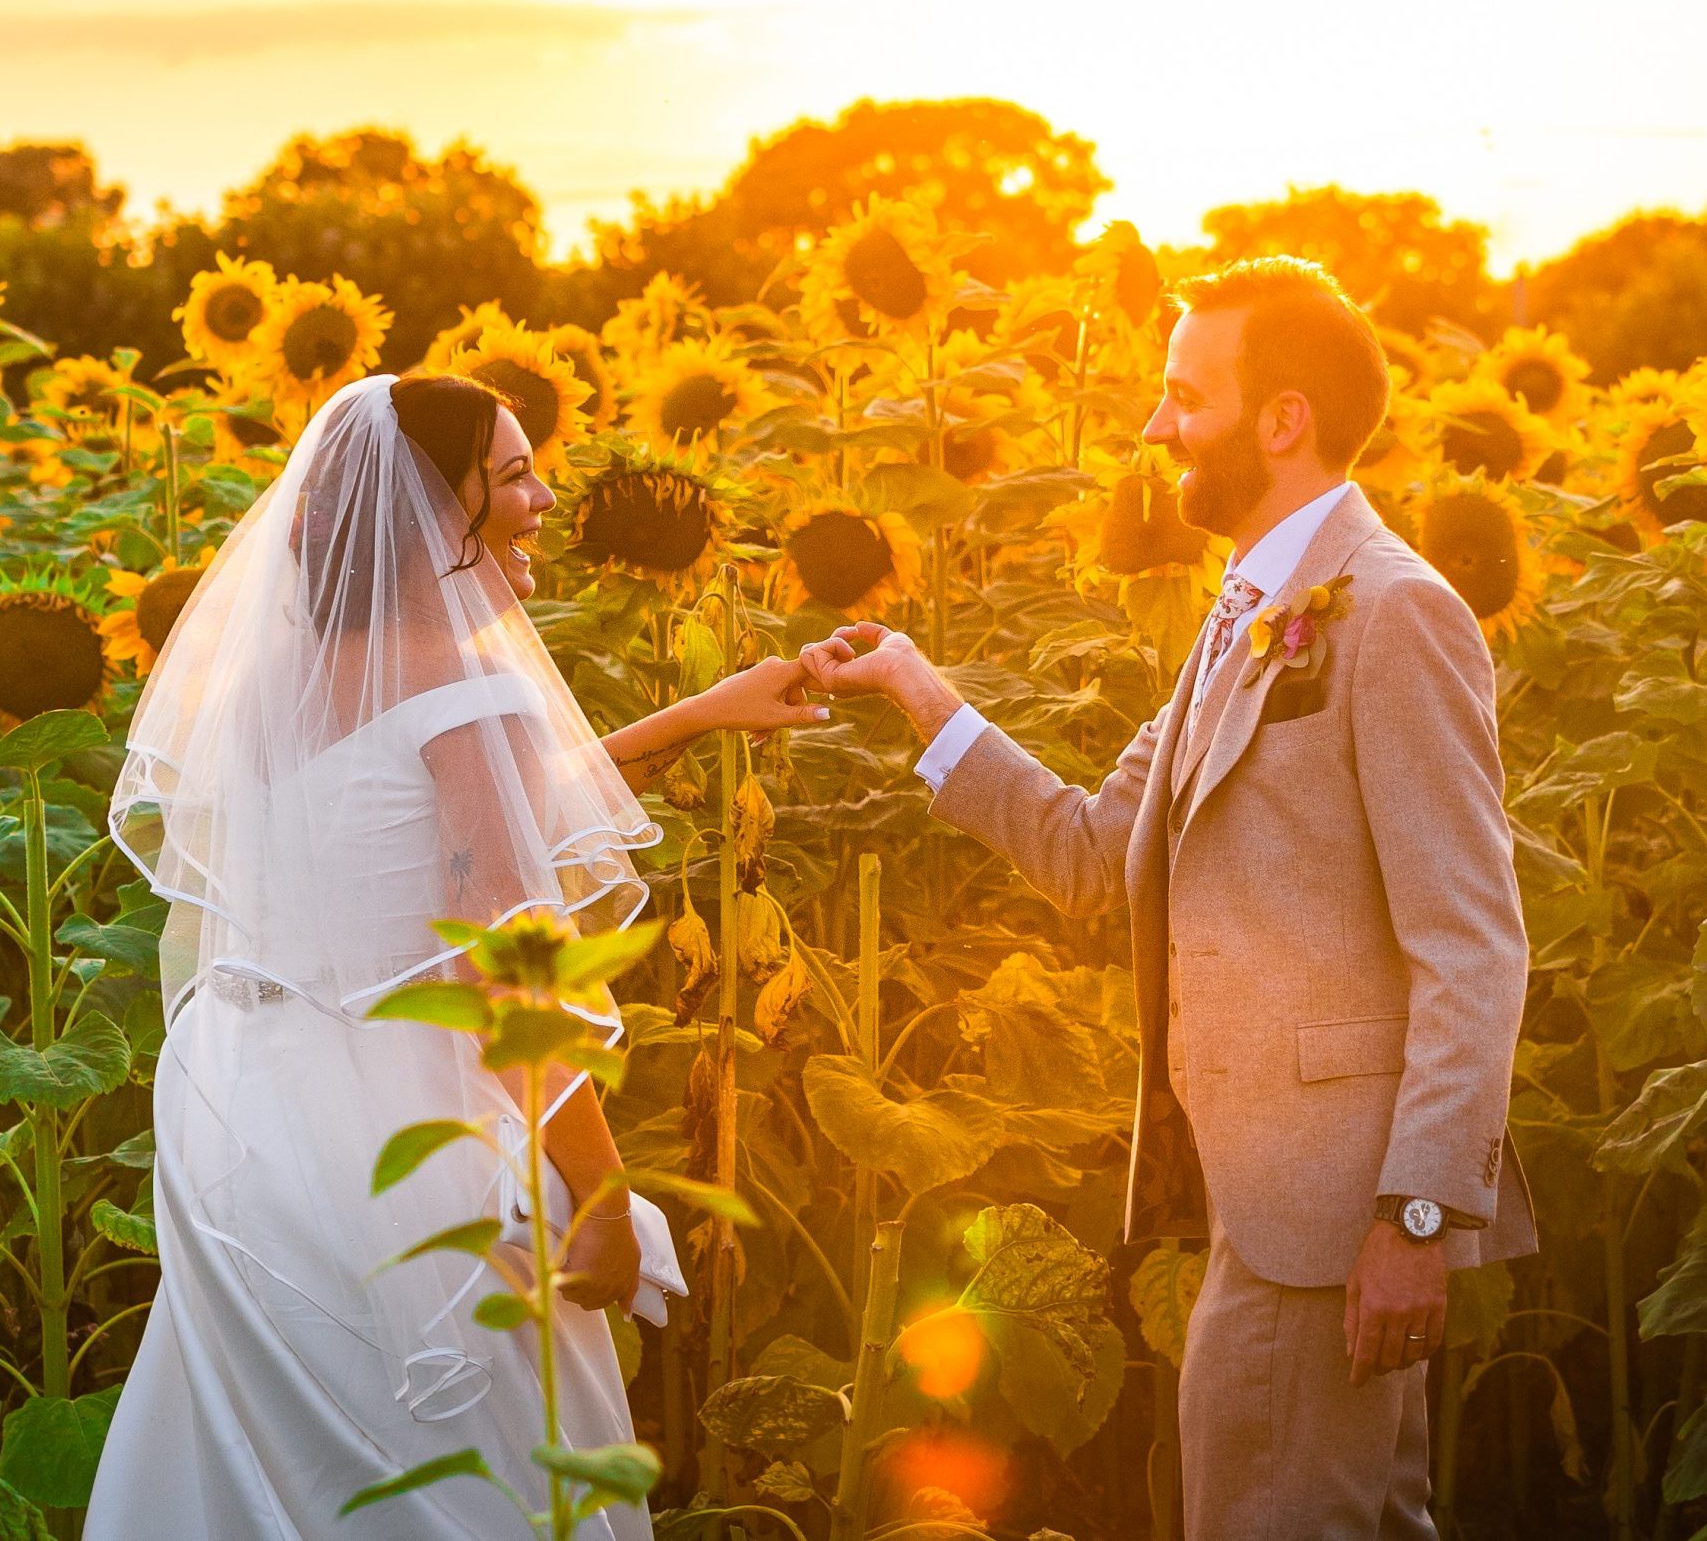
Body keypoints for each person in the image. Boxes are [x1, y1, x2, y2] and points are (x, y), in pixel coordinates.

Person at [800, 258, 1538, 1540]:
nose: (1152, 428)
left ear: (1282, 418)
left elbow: (1472, 946)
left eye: (1184, 396)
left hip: (1338, 1213)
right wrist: (923, 696)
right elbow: (1094, 852)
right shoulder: (1242, 613)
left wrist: (1415, 1218)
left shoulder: (1397, 614)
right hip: (1259, 1196)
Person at [86, 373, 824, 1540]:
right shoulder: (472, 690)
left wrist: (702, 713)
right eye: (516, 474)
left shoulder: (279, 685)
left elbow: (433, 812)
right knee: (488, 1470)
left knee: (259, 1458)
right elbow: (503, 971)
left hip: (252, 1123)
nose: (544, 496)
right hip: (406, 1136)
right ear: (438, 509)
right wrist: (602, 1189)